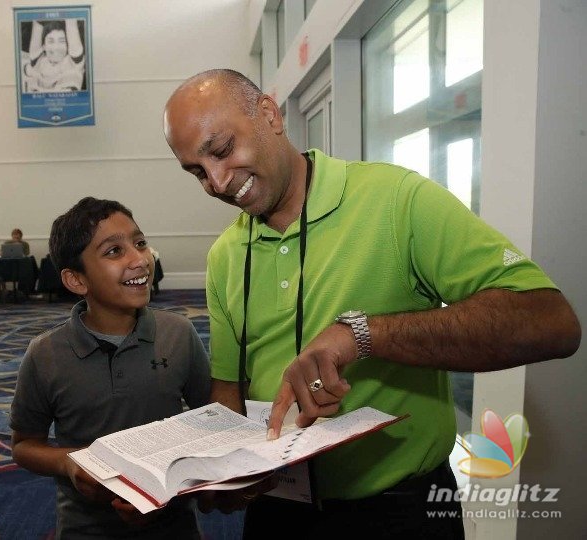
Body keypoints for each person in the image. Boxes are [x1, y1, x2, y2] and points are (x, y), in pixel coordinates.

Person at [162, 69, 581, 537]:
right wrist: (220, 470)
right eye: (197, 171)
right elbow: (229, 389)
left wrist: (364, 335)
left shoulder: (398, 200)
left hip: (399, 512)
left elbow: (551, 322)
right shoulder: (224, 255)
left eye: (221, 151)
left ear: (269, 115)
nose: (217, 182)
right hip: (278, 511)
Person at [9, 197, 211, 539]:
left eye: (140, 243)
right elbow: (24, 445)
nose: (139, 260)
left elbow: (211, 419)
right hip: (87, 529)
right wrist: (71, 464)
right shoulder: (45, 354)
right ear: (76, 280)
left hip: (174, 525)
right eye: (114, 252)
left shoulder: (178, 334)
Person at [23, 19, 85, 93]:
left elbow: (71, 22)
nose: (56, 47)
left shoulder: (73, 63)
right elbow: (37, 22)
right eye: (51, 41)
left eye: (62, 41)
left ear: (68, 46)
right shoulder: (39, 61)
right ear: (44, 46)